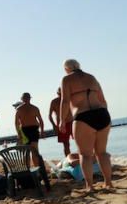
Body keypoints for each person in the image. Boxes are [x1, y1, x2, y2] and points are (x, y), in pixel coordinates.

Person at [59, 58, 113, 193]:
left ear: (66, 69)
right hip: (102, 114)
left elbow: (65, 101)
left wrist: (61, 120)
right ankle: (109, 183)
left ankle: (90, 186)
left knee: (85, 154)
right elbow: (103, 100)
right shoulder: (92, 78)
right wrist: (105, 116)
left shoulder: (66, 80)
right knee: (102, 152)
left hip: (83, 116)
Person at [48, 87, 72, 156]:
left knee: (80, 141)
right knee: (66, 144)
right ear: (57, 93)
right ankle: (68, 159)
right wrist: (54, 125)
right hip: (62, 125)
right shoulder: (54, 101)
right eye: (60, 92)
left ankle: (82, 158)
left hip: (72, 122)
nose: (61, 94)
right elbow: (49, 115)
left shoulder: (70, 99)